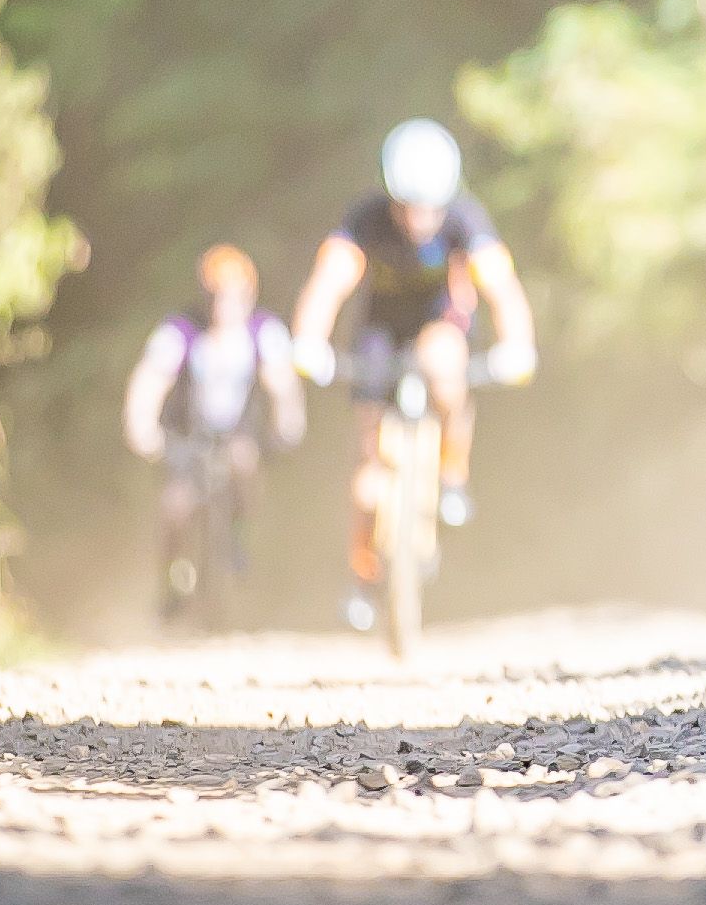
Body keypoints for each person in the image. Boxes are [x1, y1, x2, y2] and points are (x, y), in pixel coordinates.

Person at [289, 118, 540, 633]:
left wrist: (519, 345)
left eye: (431, 206)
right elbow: (329, 282)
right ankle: (363, 575)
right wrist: (308, 341)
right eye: (409, 205)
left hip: (439, 321)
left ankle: (452, 474)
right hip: (379, 331)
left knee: (445, 366)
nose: (420, 218)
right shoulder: (365, 219)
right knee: (368, 469)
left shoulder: (466, 220)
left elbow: (502, 288)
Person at [122, 244, 307, 609]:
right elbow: (149, 380)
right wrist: (141, 426)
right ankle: (174, 577)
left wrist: (288, 421)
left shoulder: (263, 331)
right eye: (218, 297)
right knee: (176, 506)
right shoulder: (181, 331)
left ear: (249, 296)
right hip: (189, 436)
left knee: (244, 464)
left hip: (239, 433)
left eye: (234, 297)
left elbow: (282, 382)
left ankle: (239, 534)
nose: (225, 306)